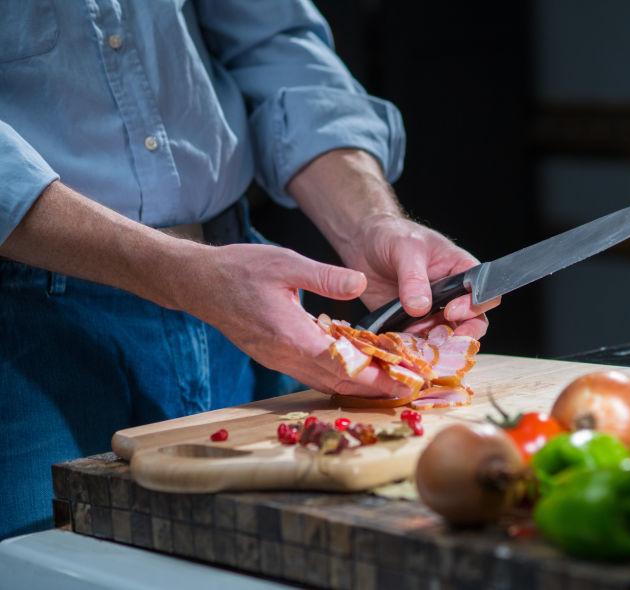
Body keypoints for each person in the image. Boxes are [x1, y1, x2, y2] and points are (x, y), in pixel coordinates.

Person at [0, 1, 498, 539]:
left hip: (243, 311)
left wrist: (368, 223)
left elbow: (274, 43)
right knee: (51, 565)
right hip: (28, 327)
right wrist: (181, 273)